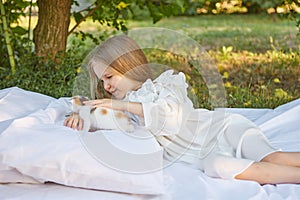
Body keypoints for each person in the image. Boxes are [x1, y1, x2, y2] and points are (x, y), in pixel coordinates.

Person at [64, 34, 300, 184]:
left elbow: (170, 118)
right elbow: (92, 107)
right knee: (218, 166)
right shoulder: (122, 110)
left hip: (221, 129)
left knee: (272, 157)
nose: (106, 86)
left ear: (130, 66)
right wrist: (80, 113)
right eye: (101, 81)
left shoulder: (166, 85)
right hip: (200, 154)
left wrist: (120, 104)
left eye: (109, 77)